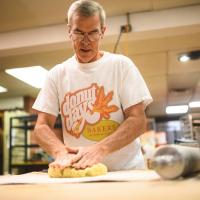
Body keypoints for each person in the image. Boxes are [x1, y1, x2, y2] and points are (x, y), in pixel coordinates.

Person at [33, 0, 153, 171]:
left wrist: (99, 149)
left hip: (126, 172)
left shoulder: (121, 66)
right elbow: (41, 127)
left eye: (93, 33)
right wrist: (60, 152)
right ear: (69, 31)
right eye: (79, 33)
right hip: (80, 173)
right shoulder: (57, 74)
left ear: (103, 32)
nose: (86, 41)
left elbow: (138, 120)